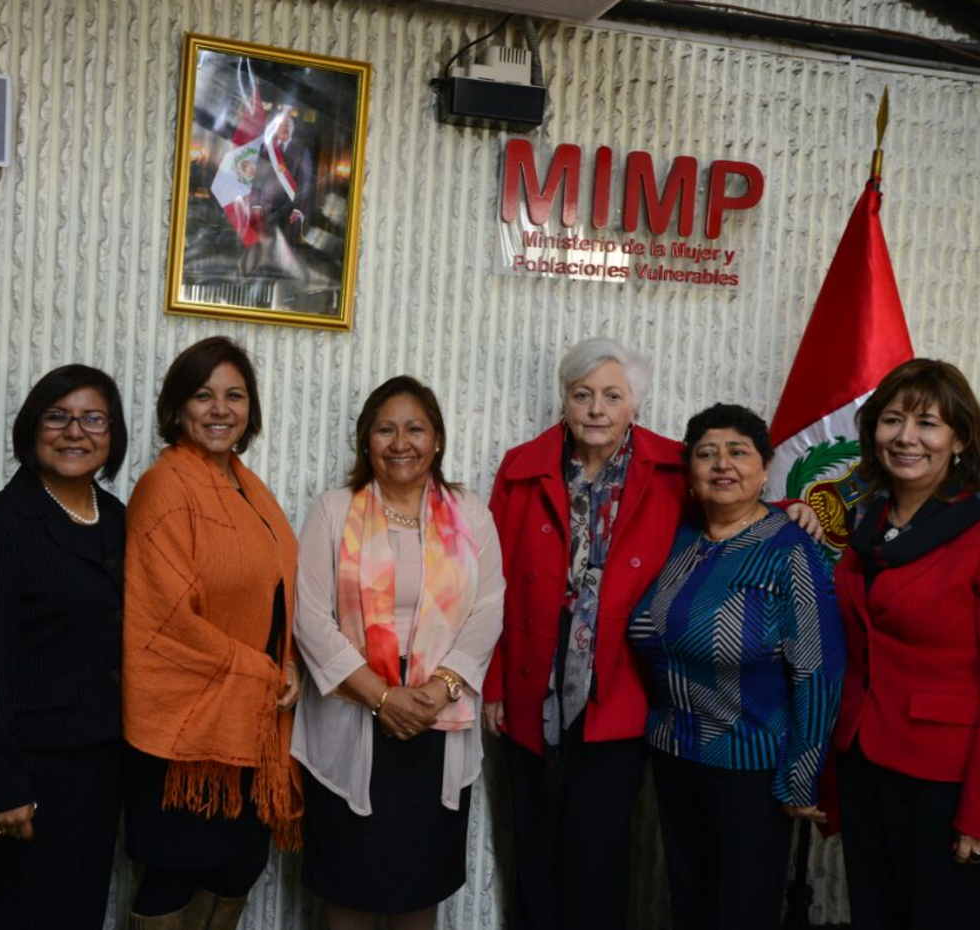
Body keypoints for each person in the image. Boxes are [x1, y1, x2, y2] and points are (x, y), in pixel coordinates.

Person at [483, 338, 820, 930]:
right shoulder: (521, 467)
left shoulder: (670, 466)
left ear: (634, 404)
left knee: (599, 847)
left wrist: (791, 505)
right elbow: (492, 584)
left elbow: (729, 499)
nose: (596, 409)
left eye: (612, 396)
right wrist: (492, 685)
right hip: (532, 675)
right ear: (564, 401)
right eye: (582, 394)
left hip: (622, 684)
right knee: (532, 842)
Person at [829, 358, 980, 930]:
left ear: (960, 438)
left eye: (927, 423)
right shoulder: (870, 519)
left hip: (945, 778)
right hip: (865, 759)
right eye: (892, 420)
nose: (906, 437)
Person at [292, 376, 505, 930]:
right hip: (353, 717)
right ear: (366, 441)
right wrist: (381, 697)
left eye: (415, 429)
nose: (400, 442)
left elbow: (489, 608)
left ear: (437, 439)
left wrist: (440, 689)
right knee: (347, 890)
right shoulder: (333, 510)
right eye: (385, 429)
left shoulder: (471, 515)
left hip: (438, 721)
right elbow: (310, 617)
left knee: (419, 892)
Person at [628, 403, 844, 930]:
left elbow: (818, 670)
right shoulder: (680, 538)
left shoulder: (791, 551)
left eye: (738, 452)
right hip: (674, 754)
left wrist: (801, 776)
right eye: (706, 454)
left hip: (750, 765)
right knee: (688, 902)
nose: (722, 464)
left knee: (740, 911)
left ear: (765, 467)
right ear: (691, 472)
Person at [122, 336, 302, 930]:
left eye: (235, 395)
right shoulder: (166, 486)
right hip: (187, 731)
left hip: (252, 717)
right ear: (178, 408)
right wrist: (261, 672)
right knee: (176, 872)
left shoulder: (249, 487)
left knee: (237, 867)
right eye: (203, 395)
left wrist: (289, 666)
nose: (220, 409)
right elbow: (164, 620)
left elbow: (274, 593)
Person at [0, 365, 129, 930]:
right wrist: (1, 786)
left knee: (80, 913)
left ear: (112, 434)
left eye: (93, 419)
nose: (75, 431)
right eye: (57, 417)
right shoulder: (2, 523)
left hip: (102, 763)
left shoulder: (120, 519)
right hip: (29, 772)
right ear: (32, 428)